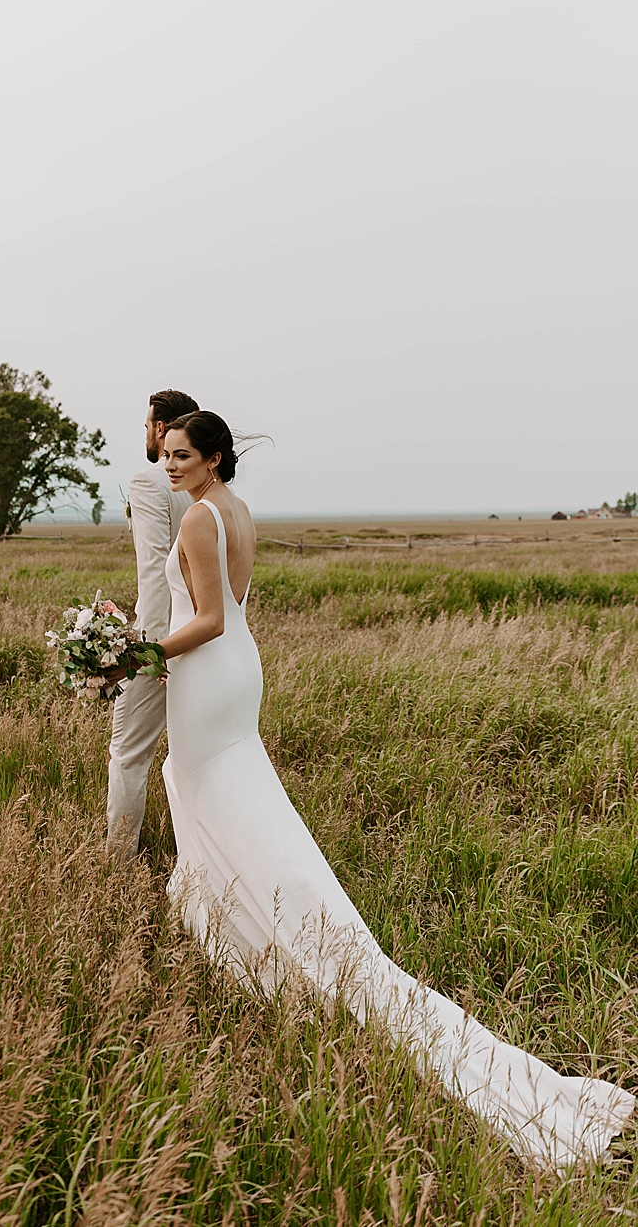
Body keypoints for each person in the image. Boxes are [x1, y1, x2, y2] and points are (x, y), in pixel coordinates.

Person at [155, 410, 635, 1170]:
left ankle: (267, 942)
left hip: (208, 680)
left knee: (213, 801)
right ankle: (260, 930)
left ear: (213, 459)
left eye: (182, 454)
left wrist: (135, 649)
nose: (169, 463)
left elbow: (208, 620)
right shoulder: (237, 511)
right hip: (238, 678)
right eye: (165, 453)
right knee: (239, 806)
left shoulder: (195, 522)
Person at [105, 388, 196, 857]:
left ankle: (117, 866)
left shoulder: (149, 483)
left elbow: (155, 577)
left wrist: (150, 652)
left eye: (146, 425)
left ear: (161, 429)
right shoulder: (211, 489)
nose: (144, 434)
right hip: (207, 642)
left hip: (164, 645)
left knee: (128, 756)